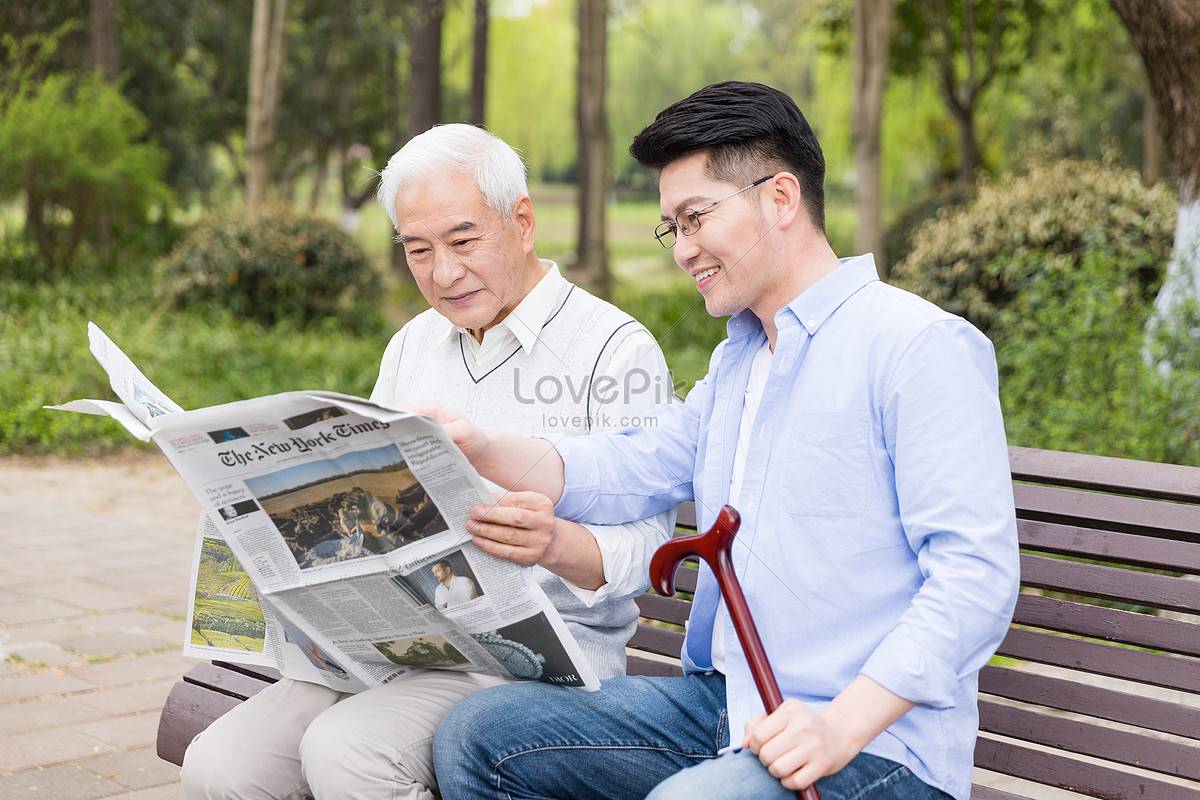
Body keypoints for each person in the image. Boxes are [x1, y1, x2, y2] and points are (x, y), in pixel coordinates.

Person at [428, 82, 1020, 800]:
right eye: (670, 227)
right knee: (479, 734)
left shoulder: (917, 347)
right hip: (724, 706)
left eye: (694, 218)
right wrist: (476, 444)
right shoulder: (739, 361)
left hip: (873, 748)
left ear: (779, 198)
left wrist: (840, 726)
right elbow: (628, 465)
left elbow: (975, 579)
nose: (683, 249)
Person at [179, 123, 675, 800]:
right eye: (418, 250)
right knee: (221, 764)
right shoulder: (414, 345)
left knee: (348, 751)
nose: (443, 273)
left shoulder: (614, 349)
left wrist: (554, 544)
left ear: (522, 222)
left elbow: (651, 551)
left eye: (463, 241)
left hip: (533, 666)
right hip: (390, 644)